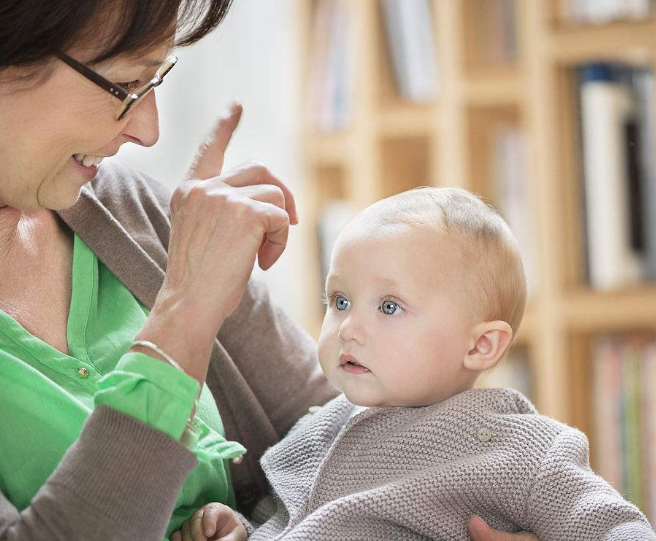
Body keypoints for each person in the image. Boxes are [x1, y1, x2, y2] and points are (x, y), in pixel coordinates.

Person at [0, 2, 538, 540]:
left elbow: (349, 435)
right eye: (124, 85)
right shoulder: (180, 257)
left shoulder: (133, 213)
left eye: (155, 81)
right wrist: (186, 309)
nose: (148, 129)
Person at [176, 188, 656, 541]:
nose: (348, 327)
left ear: (481, 347)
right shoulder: (318, 430)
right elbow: (283, 523)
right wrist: (239, 530)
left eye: (389, 307)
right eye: (340, 300)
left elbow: (622, 532)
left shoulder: (521, 451)